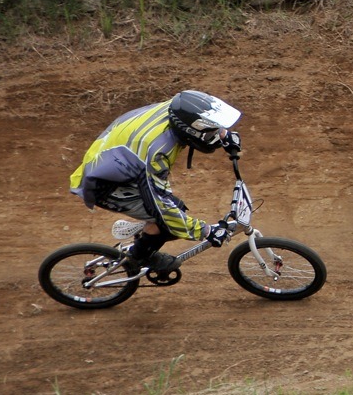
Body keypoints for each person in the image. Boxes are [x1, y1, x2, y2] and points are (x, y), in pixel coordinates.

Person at [68, 90, 243, 273]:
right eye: (211, 134)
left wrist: (223, 135)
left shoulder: (178, 109)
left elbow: (201, 122)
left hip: (114, 160)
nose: (214, 136)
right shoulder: (157, 152)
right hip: (104, 184)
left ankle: (146, 233)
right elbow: (162, 206)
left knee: (172, 216)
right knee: (168, 222)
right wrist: (206, 232)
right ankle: (139, 258)